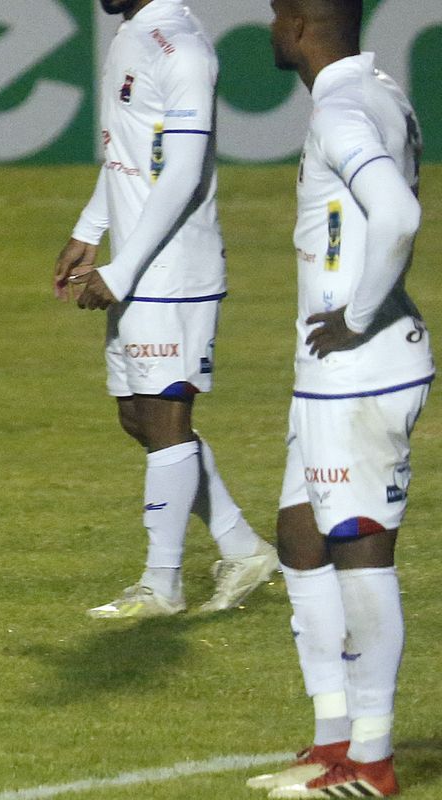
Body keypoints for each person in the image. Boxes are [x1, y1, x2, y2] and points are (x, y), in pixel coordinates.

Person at [243, 2, 428, 796]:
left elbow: (397, 213)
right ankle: (331, 740)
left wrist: (352, 318)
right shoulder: (378, 90)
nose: (271, 26)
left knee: (358, 547)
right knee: (299, 536)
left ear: (300, 26)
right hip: (330, 374)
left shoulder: (344, 109)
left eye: (278, 12)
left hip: (360, 371)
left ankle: (373, 761)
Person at [56, 0, 277, 619]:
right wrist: (91, 226)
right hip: (138, 257)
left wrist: (123, 271)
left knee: (165, 416)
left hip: (171, 269)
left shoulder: (181, 48)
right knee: (139, 416)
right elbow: (132, 151)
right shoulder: (134, 34)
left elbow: (181, 171)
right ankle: (243, 549)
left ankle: (162, 585)